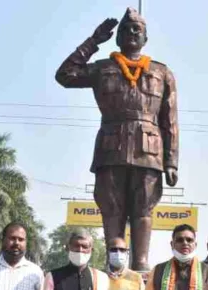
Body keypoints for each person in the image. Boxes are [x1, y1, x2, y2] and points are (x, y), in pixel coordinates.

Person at [55, 7, 179, 271]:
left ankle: (141, 266)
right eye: (126, 29)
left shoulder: (161, 72)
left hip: (149, 152)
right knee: (112, 209)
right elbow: (64, 75)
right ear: (117, 36)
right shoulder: (103, 68)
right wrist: (93, 42)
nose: (132, 32)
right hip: (111, 149)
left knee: (144, 209)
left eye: (138, 29)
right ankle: (114, 263)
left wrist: (171, 161)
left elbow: (170, 120)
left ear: (146, 38)